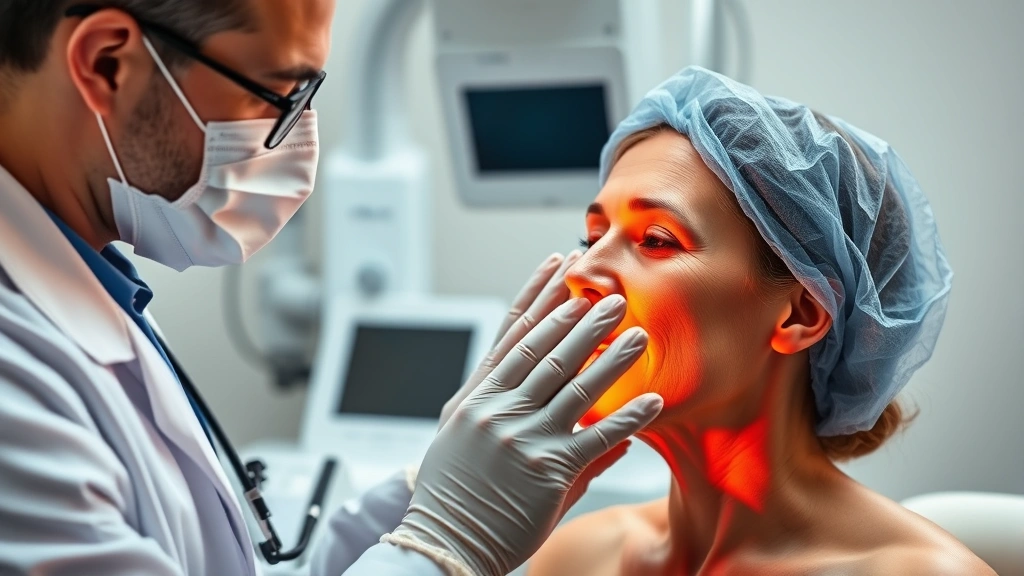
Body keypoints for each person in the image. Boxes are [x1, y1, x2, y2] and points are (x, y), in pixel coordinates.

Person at [0, 1, 664, 575]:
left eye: (659, 240)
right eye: (275, 95)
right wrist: (447, 538)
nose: (296, 148)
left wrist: (432, 486)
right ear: (108, 63)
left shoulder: (97, 284)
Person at [526, 66, 995, 575]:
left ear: (801, 313)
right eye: (591, 239)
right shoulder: (575, 555)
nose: (582, 273)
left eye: (657, 240)